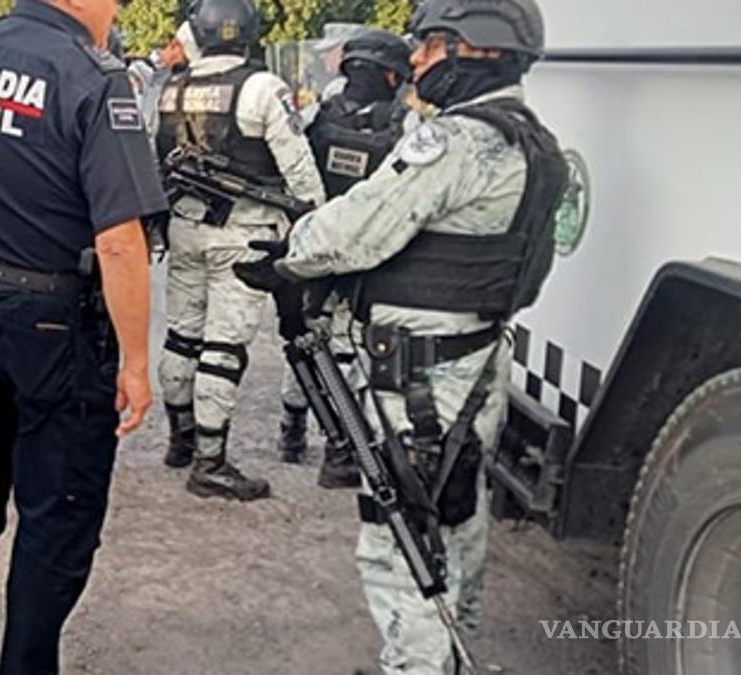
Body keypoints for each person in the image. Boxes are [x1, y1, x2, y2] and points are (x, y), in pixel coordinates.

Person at [234, 0, 567, 671]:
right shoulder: (536, 143)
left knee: (402, 545)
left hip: (417, 379)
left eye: (433, 44)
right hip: (472, 364)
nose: (416, 59)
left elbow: (362, 224)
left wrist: (290, 256)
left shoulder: (455, 141)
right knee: (456, 523)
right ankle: (443, 660)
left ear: (480, 48)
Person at [0, 0, 165, 670]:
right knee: (57, 514)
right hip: (49, 319)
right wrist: (136, 361)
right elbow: (120, 241)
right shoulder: (93, 78)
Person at [154, 0, 325, 502]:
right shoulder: (263, 87)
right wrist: (316, 229)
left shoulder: (173, 88)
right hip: (244, 236)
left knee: (182, 337)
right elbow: (300, 172)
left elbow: (156, 157)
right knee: (223, 347)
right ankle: (210, 462)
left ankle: (180, 441)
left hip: (184, 228)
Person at [275, 28, 412, 489]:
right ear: (391, 74)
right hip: (364, 255)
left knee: (306, 339)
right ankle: (341, 448)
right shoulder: (405, 126)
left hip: (314, 245)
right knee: (345, 350)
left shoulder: (318, 115)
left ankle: (292, 427)